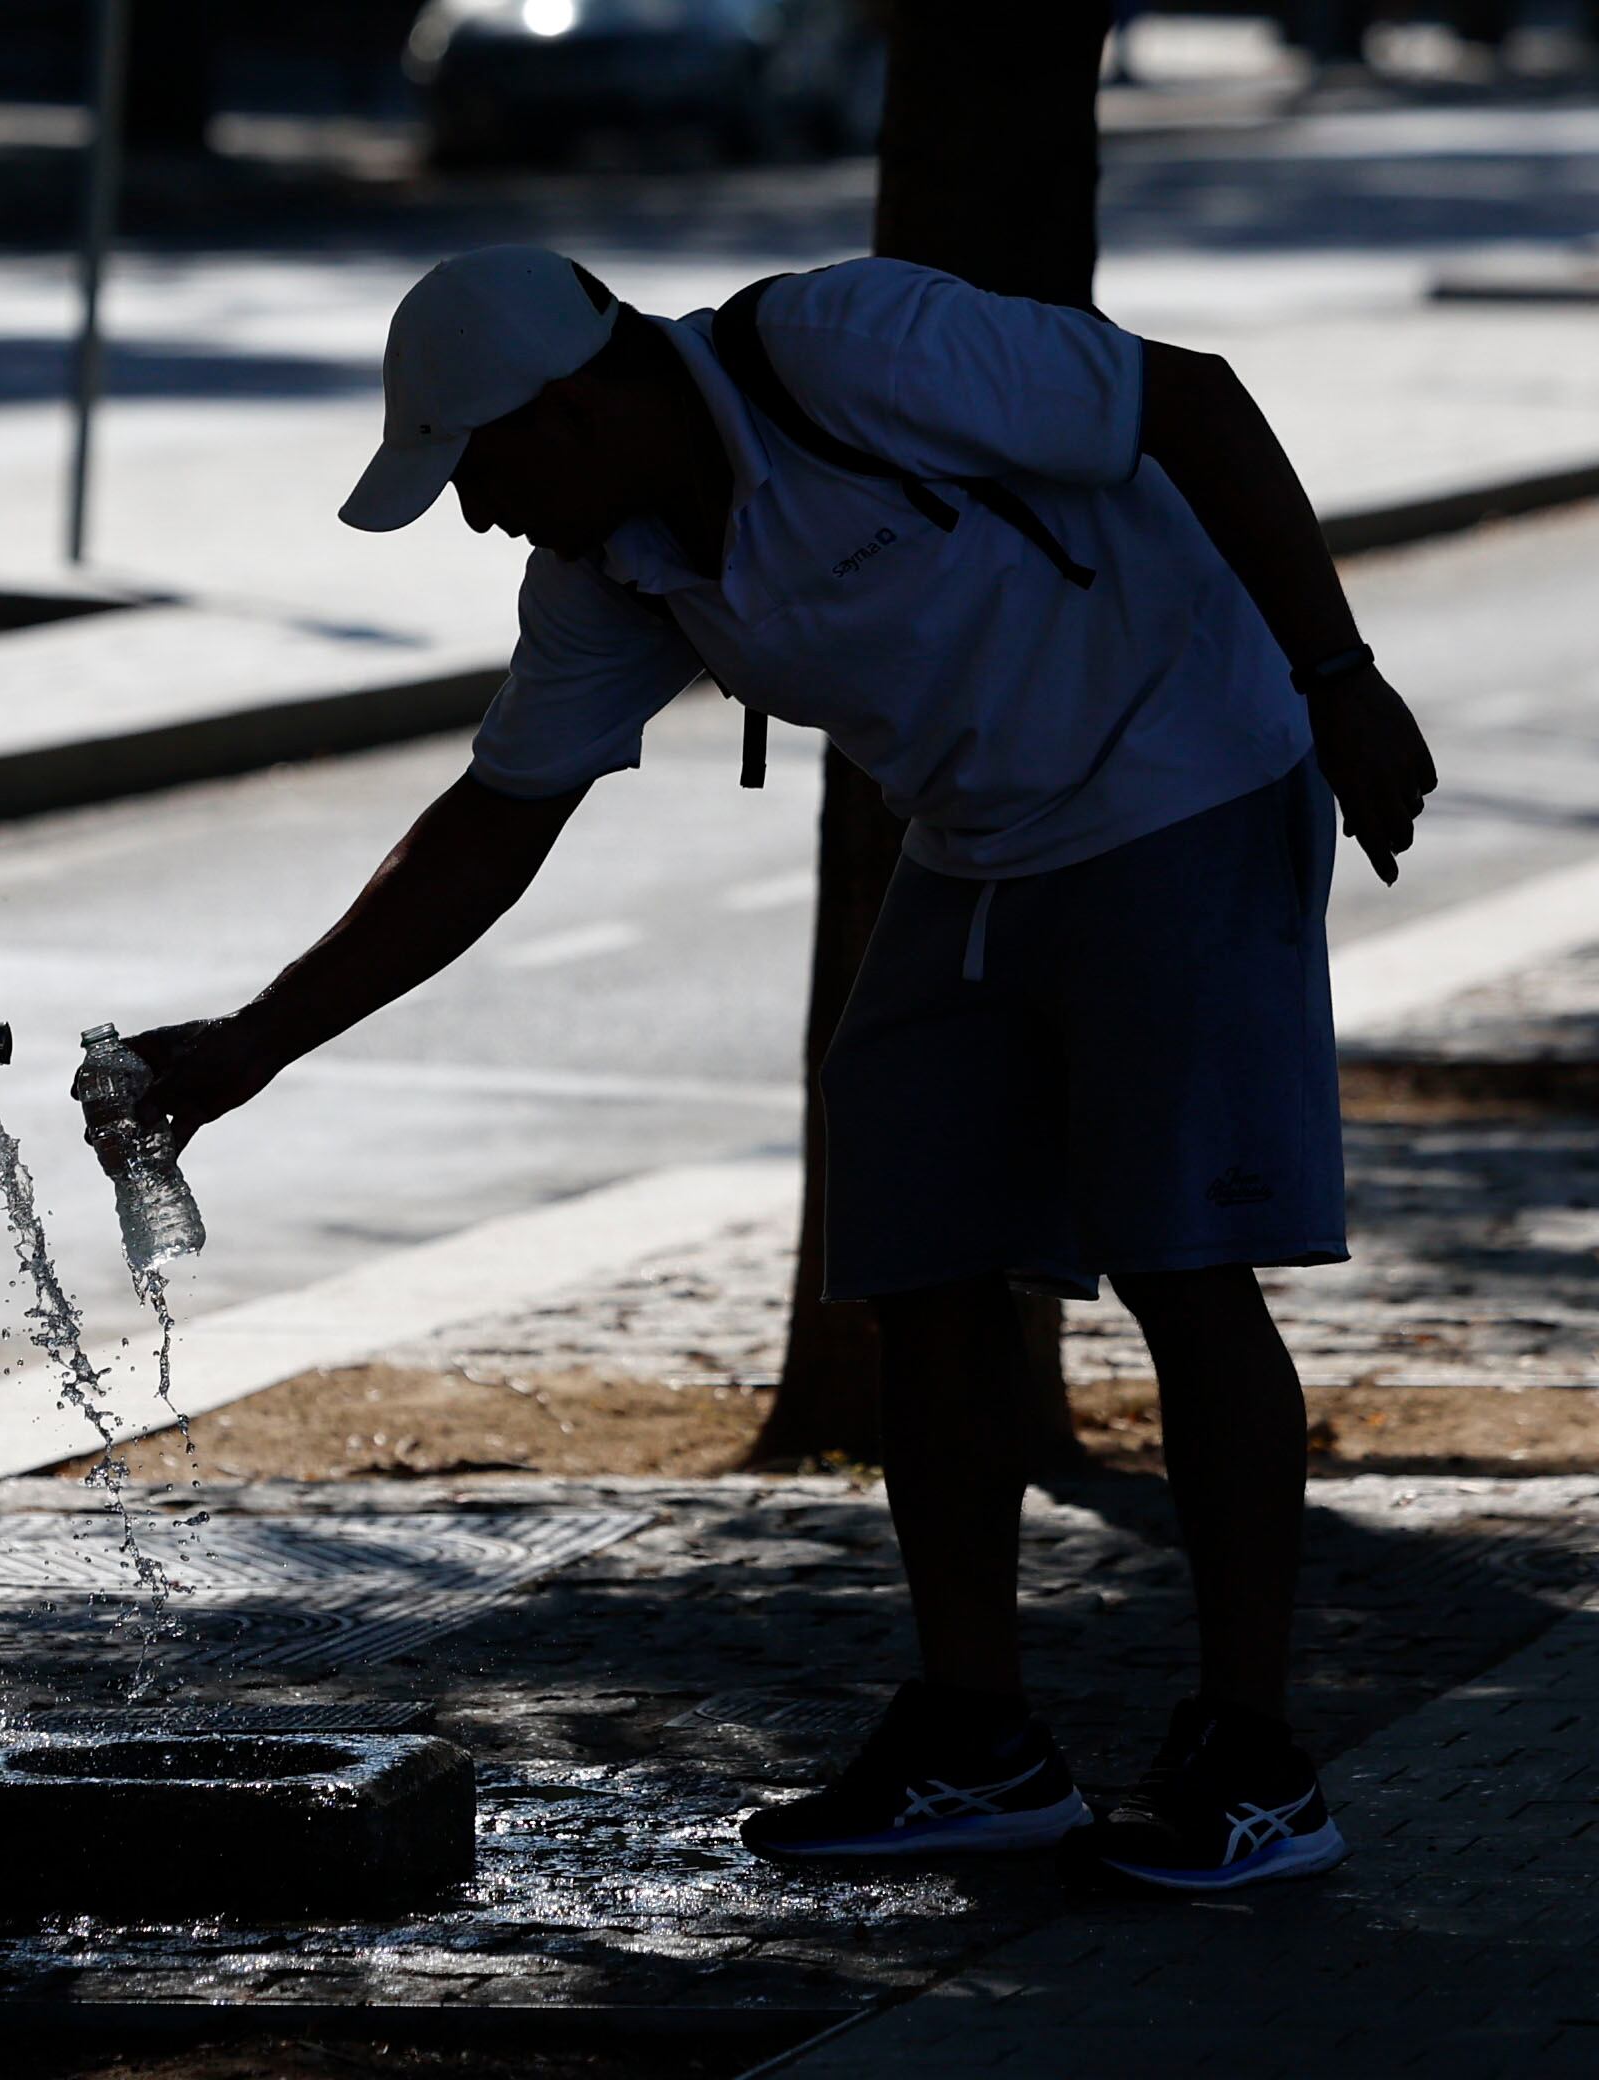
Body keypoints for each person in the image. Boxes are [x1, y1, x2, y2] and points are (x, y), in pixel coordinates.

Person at [101, 247, 1436, 1893]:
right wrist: (251, 1048)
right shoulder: (618, 570)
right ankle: (978, 1740)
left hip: (1191, 774)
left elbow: (1198, 403)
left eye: (481, 470)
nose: (477, 517)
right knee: (920, 1263)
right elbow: (491, 833)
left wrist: (1343, 680)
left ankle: (1257, 1761)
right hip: (976, 848)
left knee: (1185, 1262)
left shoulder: (852, 345)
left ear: (576, 408)